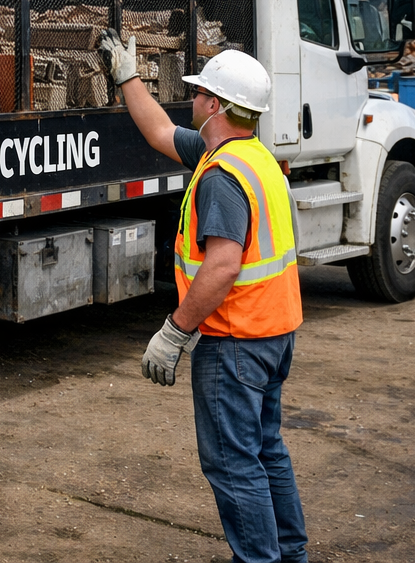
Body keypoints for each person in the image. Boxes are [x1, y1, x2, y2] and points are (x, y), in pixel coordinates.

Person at [97, 32, 306, 563]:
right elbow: (161, 131)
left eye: (197, 92)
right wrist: (127, 77)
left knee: (234, 463)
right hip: (274, 333)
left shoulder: (222, 177)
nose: (190, 99)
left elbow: (223, 265)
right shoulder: (250, 156)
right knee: (266, 452)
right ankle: (289, 554)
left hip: (235, 341)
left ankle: (259, 559)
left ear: (214, 105)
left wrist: (174, 331)